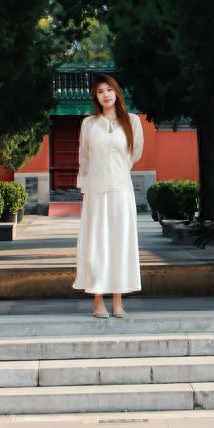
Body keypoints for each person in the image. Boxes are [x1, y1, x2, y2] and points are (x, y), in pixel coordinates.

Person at [73, 73, 144, 318]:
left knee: (120, 244)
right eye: (100, 91)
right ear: (96, 97)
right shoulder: (89, 124)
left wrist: (119, 169)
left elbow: (135, 153)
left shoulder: (132, 121)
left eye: (109, 90)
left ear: (117, 92)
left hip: (122, 191)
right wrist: (86, 183)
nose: (106, 95)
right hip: (96, 191)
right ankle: (97, 301)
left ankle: (118, 301)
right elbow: (84, 158)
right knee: (97, 245)